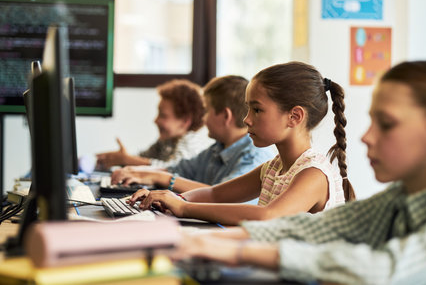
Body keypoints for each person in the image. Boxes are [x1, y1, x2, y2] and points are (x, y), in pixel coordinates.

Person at [171, 60, 426, 284]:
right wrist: (204, 240)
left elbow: (378, 271)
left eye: (386, 124)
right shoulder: (400, 198)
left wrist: (240, 251)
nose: (365, 136)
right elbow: (314, 227)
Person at [125, 61, 355, 225]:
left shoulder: (313, 174)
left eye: (257, 110)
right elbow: (216, 195)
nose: (246, 119)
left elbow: (268, 216)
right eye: (248, 109)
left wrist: (184, 208)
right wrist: (170, 199)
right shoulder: (273, 168)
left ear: (294, 116)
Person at [111, 75, 276, 192]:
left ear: (225, 116)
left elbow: (222, 194)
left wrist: (159, 177)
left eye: (206, 111)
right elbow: (179, 169)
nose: (202, 120)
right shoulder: (216, 149)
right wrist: (140, 172)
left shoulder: (254, 157)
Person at [96, 79, 211, 170]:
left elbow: (174, 169)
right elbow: (142, 158)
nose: (156, 120)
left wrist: (127, 160)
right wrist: (119, 158)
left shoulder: (189, 142)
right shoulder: (166, 142)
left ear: (184, 121)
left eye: (163, 115)